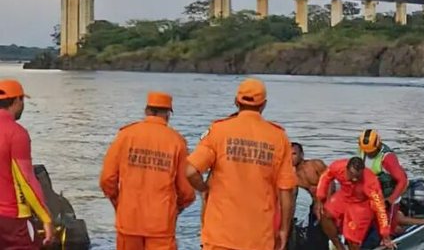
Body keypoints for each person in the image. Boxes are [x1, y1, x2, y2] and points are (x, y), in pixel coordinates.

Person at [185, 77, 297, 250]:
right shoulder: (278, 137)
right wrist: (283, 229)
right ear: (263, 105)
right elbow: (286, 191)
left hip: (219, 235)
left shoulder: (219, 130)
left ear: (236, 102)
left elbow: (191, 171)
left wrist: (205, 190)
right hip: (258, 237)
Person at [99, 91, 196, 250]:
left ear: (146, 111)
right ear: (168, 114)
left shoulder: (125, 136)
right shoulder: (177, 142)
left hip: (128, 221)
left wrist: (119, 202)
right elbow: (187, 191)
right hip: (161, 225)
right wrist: (176, 209)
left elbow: (107, 179)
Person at [0, 79, 54, 249]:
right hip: (12, 218)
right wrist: (46, 218)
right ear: (16, 101)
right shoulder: (16, 133)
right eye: (22, 100)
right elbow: (26, 180)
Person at [316, 157, 395, 250]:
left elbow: (380, 208)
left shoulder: (370, 182)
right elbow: (325, 177)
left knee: (352, 239)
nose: (354, 179)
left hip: (361, 204)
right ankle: (338, 245)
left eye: (358, 176)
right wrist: (320, 198)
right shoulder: (337, 166)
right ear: (346, 169)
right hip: (344, 195)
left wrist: (385, 235)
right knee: (324, 213)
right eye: (352, 174)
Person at [358, 129, 408, 236]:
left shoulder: (387, 158)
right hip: (372, 195)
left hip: (388, 196)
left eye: (371, 151)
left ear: (378, 144)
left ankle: (397, 231)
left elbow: (402, 180)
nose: (368, 153)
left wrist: (390, 200)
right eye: (366, 151)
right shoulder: (363, 150)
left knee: (387, 229)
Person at [291, 142, 332, 250]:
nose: (291, 158)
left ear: (302, 154)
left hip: (329, 199)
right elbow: (292, 195)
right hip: (314, 205)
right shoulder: (292, 175)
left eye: (294, 154)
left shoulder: (315, 164)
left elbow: (330, 180)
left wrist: (325, 203)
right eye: (288, 155)